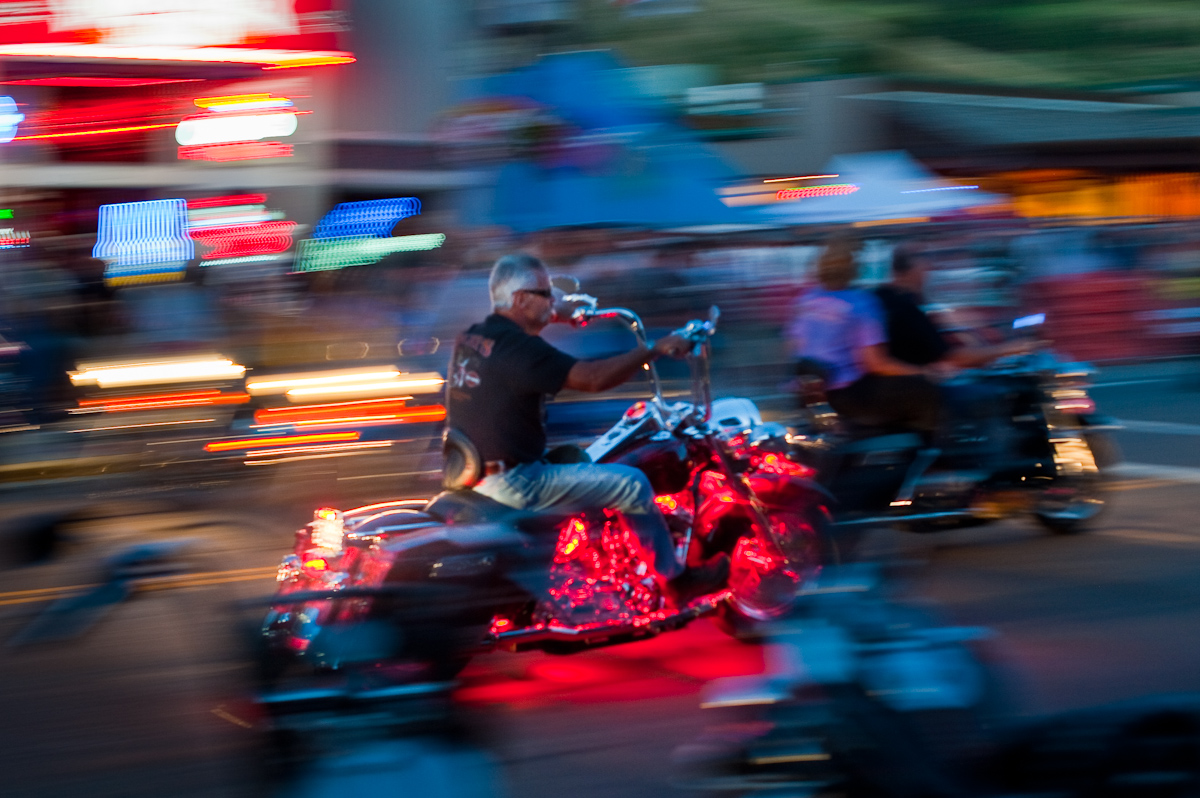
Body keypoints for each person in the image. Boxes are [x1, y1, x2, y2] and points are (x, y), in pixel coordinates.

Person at [445, 253, 729, 602]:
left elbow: (525, 336)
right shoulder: (521, 350)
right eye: (546, 294)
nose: (552, 300)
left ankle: (599, 563)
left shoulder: (474, 336)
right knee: (633, 484)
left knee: (581, 457)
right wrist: (654, 349)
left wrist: (557, 313)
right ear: (520, 300)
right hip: (517, 481)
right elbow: (592, 379)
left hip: (477, 471)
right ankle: (676, 582)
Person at [788, 237, 940, 435]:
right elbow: (876, 364)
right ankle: (930, 452)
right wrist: (922, 372)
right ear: (853, 267)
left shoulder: (805, 301)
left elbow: (794, 348)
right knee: (925, 391)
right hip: (847, 397)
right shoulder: (861, 303)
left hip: (808, 398)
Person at [877, 247, 1032, 369]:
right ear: (912, 271)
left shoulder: (884, 298)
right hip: (911, 388)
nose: (929, 273)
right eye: (925, 268)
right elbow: (953, 357)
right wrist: (1009, 349)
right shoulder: (905, 308)